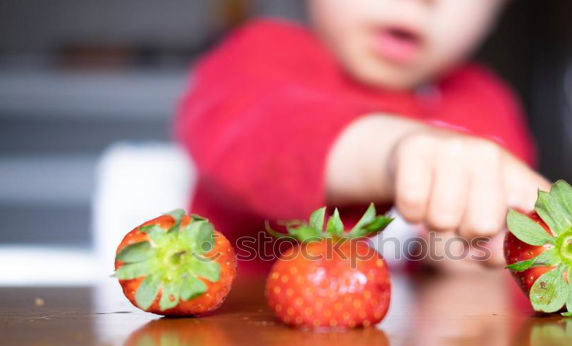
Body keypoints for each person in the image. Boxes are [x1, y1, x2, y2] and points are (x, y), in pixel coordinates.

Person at [176, 0, 550, 273]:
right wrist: (396, 154)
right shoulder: (255, 56)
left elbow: (478, 262)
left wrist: (474, 245)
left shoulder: (488, 102)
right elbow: (259, 142)